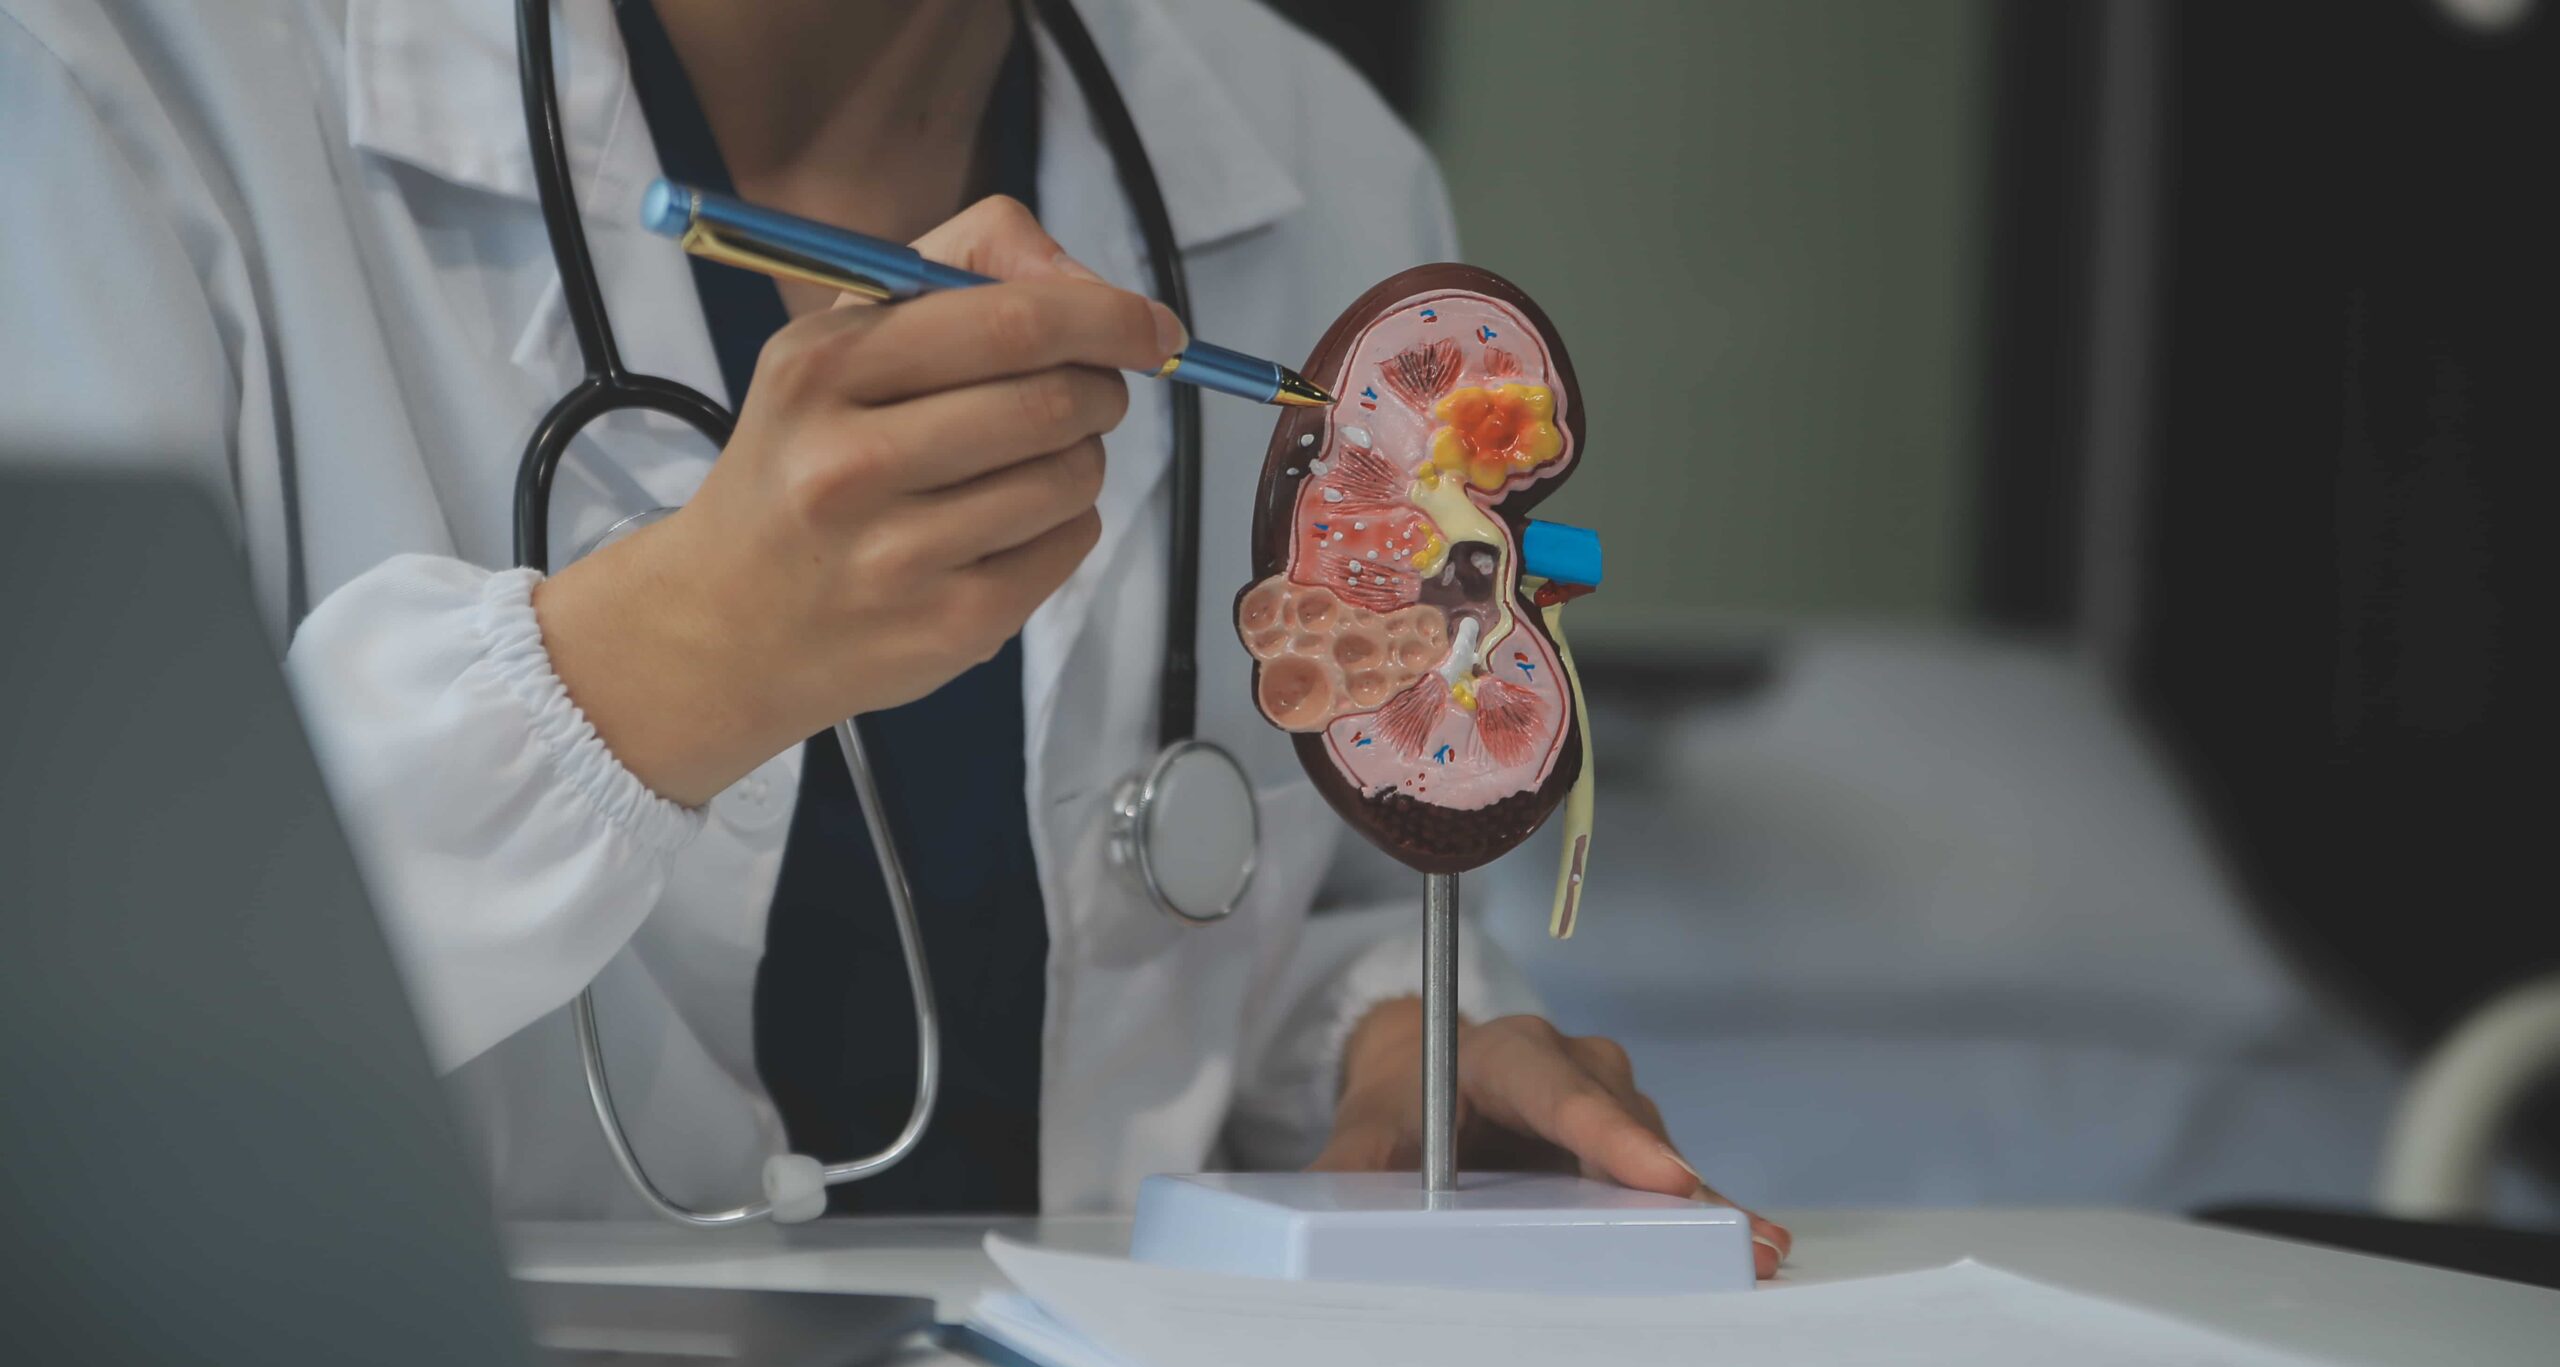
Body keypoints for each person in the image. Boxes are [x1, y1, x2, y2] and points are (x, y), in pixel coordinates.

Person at [0, 0, 1785, 1272]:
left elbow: (1250, 905)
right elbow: (78, 1008)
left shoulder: (1313, 154)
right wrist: (651, 669)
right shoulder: (133, 80)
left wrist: (1390, 1042)